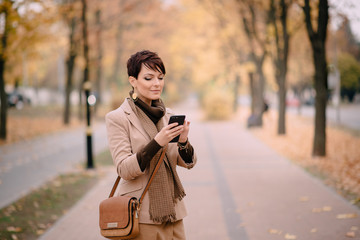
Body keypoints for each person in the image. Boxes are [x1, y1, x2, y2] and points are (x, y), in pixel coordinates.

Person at [105, 50, 197, 240]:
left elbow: (188, 162)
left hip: (173, 212)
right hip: (142, 214)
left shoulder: (168, 115)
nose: (156, 83)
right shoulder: (118, 118)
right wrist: (156, 143)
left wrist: (183, 142)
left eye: (160, 77)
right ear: (133, 81)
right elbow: (124, 169)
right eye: (148, 78)